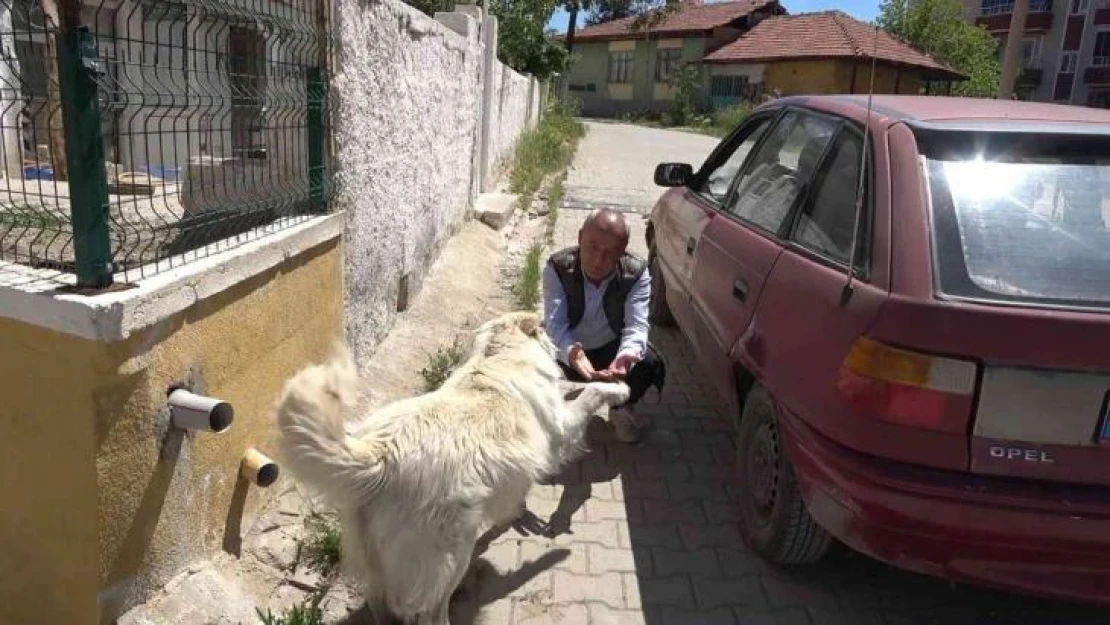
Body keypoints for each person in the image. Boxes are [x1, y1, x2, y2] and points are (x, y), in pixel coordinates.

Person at [542, 207, 666, 443]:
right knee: (530, 357)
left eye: (611, 253)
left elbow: (637, 327)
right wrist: (573, 354)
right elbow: (554, 326)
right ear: (579, 238)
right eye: (593, 247)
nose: (599, 261)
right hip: (568, 352)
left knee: (649, 362)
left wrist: (625, 357)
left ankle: (621, 408)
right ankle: (546, 414)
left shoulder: (637, 273)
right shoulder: (557, 267)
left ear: (622, 253)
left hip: (610, 353)